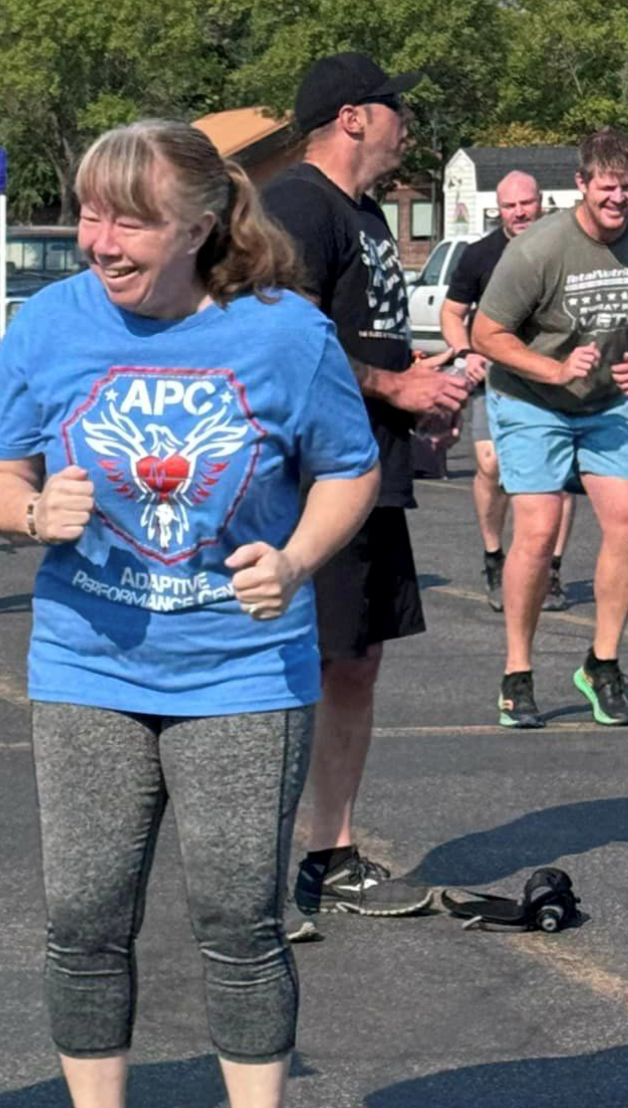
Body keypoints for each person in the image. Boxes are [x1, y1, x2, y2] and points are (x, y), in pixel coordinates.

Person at [0, 119, 380, 1108]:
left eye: (128, 219)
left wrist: (296, 558)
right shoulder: (49, 326)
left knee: (239, 917)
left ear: (202, 223)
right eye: (89, 213)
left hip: (243, 672)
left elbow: (349, 467)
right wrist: (21, 514)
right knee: (86, 915)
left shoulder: (284, 335)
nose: (96, 239)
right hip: (87, 664)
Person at [263, 53, 469, 916]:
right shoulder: (295, 205)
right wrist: (394, 388)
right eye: (394, 110)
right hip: (311, 477)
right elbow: (282, 330)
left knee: (357, 661)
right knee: (298, 665)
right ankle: (262, 878)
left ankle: (331, 854)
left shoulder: (368, 215)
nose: (405, 124)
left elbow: (365, 336)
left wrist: (424, 388)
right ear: (353, 117)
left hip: (372, 469)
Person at [472, 127, 628, 729]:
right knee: (537, 531)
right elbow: (487, 334)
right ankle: (518, 671)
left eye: (627, 189)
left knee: (624, 522)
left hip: (605, 400)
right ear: (583, 185)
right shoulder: (538, 249)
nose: (618, 200)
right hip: (531, 397)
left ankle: (602, 662)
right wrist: (555, 369)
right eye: (608, 188)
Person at [440, 172, 575, 611]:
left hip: (553, 376)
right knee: (491, 465)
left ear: (541, 202)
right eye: (510, 205)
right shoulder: (480, 256)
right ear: (499, 209)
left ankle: (550, 571)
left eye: (526, 203)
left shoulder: (566, 245)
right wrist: (464, 353)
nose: (519, 212)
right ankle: (494, 556)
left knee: (557, 477)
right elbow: (451, 312)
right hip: (495, 375)